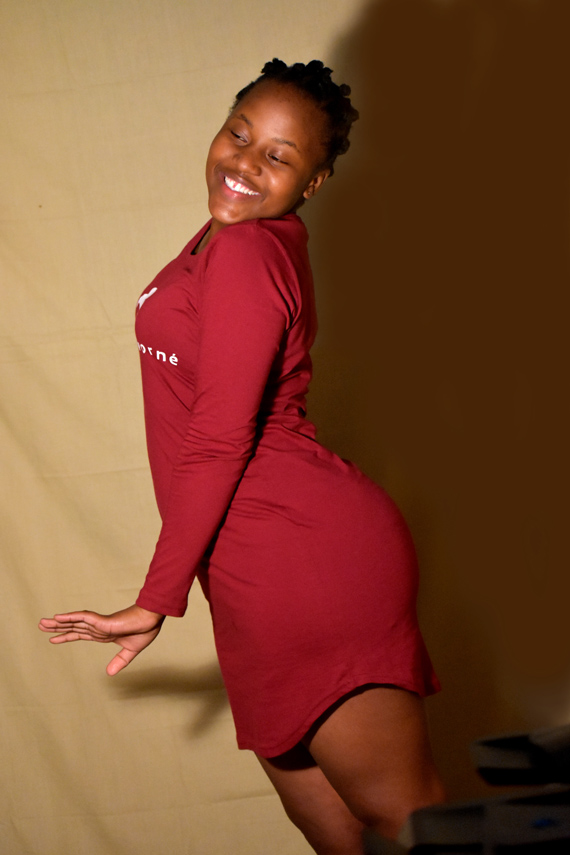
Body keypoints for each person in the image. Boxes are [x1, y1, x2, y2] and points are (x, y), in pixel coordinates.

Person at [39, 59, 444, 854]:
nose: (245, 163)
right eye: (239, 134)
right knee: (332, 828)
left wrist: (155, 600)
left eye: (278, 157)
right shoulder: (228, 237)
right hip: (252, 567)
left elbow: (220, 435)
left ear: (313, 182)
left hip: (302, 560)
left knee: (407, 817)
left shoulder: (249, 251)